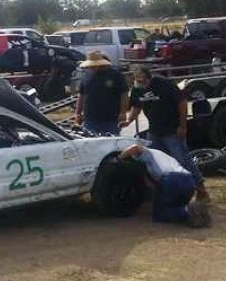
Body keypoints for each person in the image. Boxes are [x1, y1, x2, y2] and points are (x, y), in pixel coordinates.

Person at [121, 66, 210, 202]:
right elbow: (136, 107)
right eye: (138, 81)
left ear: (149, 78)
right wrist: (128, 121)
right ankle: (164, 190)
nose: (140, 83)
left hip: (172, 130)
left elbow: (182, 103)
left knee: (182, 160)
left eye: (143, 81)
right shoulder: (137, 89)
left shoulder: (164, 84)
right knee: (154, 162)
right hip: (154, 131)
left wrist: (182, 126)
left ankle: (200, 188)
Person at [119, 144, 211, 228]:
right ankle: (195, 213)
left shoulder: (148, 153)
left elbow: (136, 147)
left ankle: (187, 211)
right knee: (172, 207)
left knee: (159, 214)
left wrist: (119, 158)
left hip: (173, 180)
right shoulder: (164, 157)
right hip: (189, 182)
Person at [74, 51, 129, 135]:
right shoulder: (86, 75)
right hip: (90, 117)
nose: (91, 68)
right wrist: (78, 113)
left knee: (110, 143)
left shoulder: (115, 75)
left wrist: (123, 113)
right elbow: (81, 95)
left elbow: (124, 94)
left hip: (110, 118)